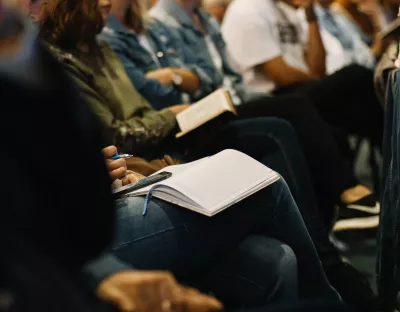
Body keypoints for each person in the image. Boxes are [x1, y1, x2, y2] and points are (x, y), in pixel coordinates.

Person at [36, 0, 381, 310]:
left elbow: (179, 88)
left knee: (278, 258)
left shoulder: (98, 48)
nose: (108, 3)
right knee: (264, 178)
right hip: (80, 226)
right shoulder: (57, 59)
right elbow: (123, 130)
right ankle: (336, 287)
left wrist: (98, 171)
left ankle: (338, 251)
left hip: (115, 189)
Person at [102, 0, 381, 232]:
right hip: (186, 121)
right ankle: (337, 212)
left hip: (216, 105)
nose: (103, 4)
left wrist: (179, 77)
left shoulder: (163, 25)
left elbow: (209, 75)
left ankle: (337, 222)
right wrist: (182, 79)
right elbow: (154, 92)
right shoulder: (146, 26)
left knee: (322, 111)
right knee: (293, 113)